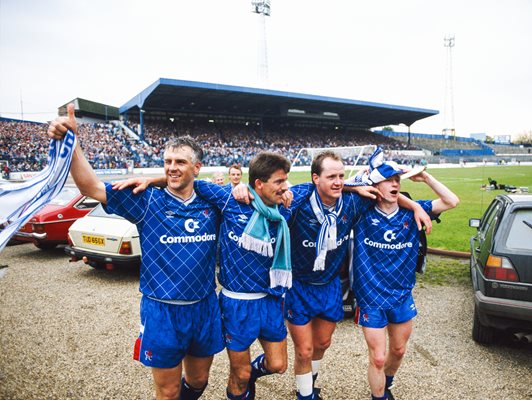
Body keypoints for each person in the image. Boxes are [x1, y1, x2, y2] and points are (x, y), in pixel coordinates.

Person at [47, 104, 224, 400]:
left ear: (196, 168)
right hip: (162, 310)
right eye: (167, 161)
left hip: (204, 307)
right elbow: (91, 187)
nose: (171, 167)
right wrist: (73, 143)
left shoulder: (214, 203)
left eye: (180, 161)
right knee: (167, 392)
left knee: (199, 381)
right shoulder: (146, 200)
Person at [232, 150, 431, 400]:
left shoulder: (352, 202)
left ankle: (309, 382)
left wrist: (413, 205)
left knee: (322, 344)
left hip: (330, 286)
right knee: (304, 350)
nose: (338, 182)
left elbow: (386, 196)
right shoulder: (299, 200)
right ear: (316, 178)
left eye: (341, 176)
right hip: (299, 286)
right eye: (331, 177)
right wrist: (243, 189)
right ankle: (305, 395)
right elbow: (269, 199)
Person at [121, 152, 300, 400]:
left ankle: (253, 375)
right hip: (235, 301)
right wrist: (152, 180)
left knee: (278, 365)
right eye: (280, 181)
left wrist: (354, 188)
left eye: (286, 181)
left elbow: (322, 185)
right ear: (259, 183)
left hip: (271, 298)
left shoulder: (286, 205)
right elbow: (188, 181)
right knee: (241, 374)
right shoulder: (230, 200)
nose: (285, 187)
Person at [351, 155, 458, 400]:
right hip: (371, 297)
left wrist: (426, 178)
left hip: (401, 295)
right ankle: (378, 396)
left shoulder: (413, 213)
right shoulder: (361, 212)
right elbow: (336, 187)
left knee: (398, 351)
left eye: (397, 179)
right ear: (375, 186)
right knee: (378, 356)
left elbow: (451, 201)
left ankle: (385, 383)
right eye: (388, 180)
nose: (394, 184)